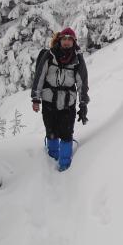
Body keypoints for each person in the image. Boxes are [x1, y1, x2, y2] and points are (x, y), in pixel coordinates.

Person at [31, 27, 89, 171]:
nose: (67, 42)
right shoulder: (49, 55)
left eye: (70, 39)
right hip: (49, 101)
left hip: (68, 103)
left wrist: (83, 104)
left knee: (66, 134)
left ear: (74, 41)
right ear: (60, 40)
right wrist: (36, 99)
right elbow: (40, 76)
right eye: (64, 39)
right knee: (51, 131)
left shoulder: (77, 59)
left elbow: (82, 82)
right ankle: (51, 159)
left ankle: (64, 164)